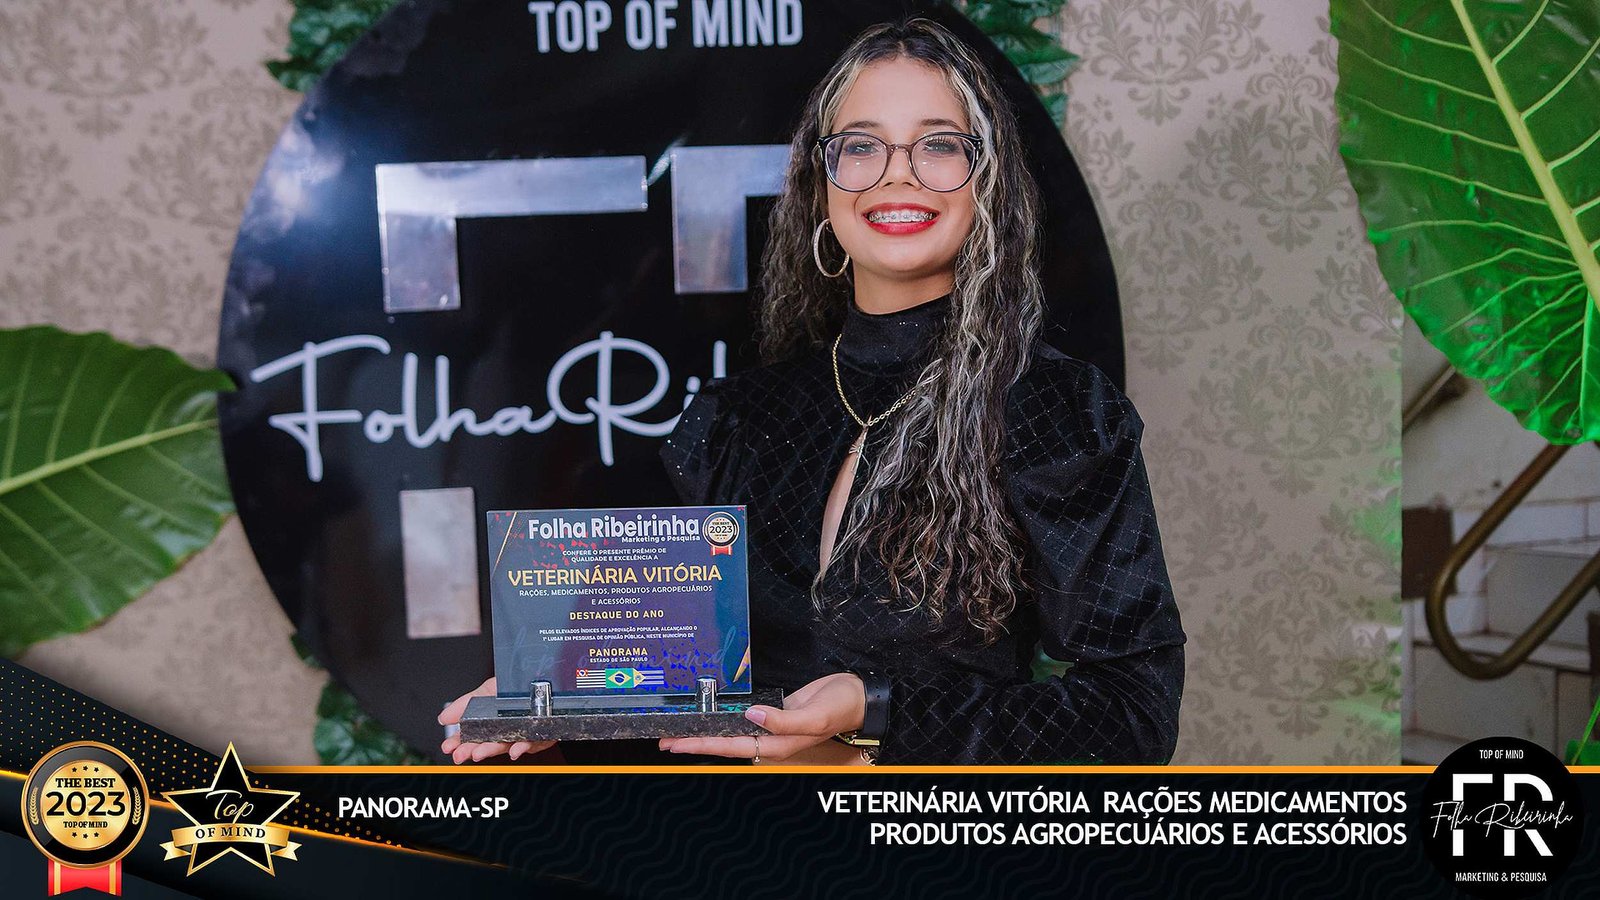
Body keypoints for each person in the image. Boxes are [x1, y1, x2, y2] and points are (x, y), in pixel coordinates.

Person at [439, 16, 1186, 766]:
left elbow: (1132, 717)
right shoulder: (737, 420)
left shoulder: (1056, 411)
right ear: (820, 185)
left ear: (985, 181)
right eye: (861, 146)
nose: (897, 174)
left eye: (938, 145)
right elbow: (678, 669)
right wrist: (560, 693)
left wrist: (875, 709)